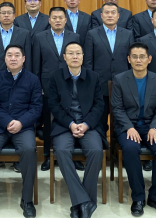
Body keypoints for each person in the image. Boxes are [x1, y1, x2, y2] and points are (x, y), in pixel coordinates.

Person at [0, 44, 42, 218]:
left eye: (17, 55)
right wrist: (7, 121)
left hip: (24, 127)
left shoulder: (33, 79)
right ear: (5, 58)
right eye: (9, 55)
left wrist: (21, 122)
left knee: (29, 150)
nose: (13, 58)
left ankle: (27, 200)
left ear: (23, 59)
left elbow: (36, 108)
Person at [111, 43, 156, 217]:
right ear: (129, 59)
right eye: (135, 57)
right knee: (131, 149)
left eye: (142, 57)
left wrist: (155, 127)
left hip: (151, 126)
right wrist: (129, 127)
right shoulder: (119, 79)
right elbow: (117, 108)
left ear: (149, 59)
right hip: (127, 127)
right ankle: (138, 198)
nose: (138, 60)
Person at [47, 41, 107, 218]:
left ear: (83, 56)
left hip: (88, 125)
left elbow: (99, 105)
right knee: (62, 150)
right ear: (64, 57)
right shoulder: (56, 76)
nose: (74, 56)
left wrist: (86, 124)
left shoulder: (93, 77)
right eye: (71, 53)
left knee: (96, 150)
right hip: (64, 125)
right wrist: (71, 124)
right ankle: (85, 202)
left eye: (78, 53)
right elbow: (54, 105)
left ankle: (80, 203)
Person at [32, 6, 80, 171]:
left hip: (71, 84)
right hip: (47, 86)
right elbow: (36, 64)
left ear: (66, 20)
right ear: (49, 20)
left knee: (73, 118)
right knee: (48, 122)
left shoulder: (75, 37)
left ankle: (73, 156)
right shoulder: (40, 37)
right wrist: (38, 86)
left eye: (61, 18)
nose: (58, 20)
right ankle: (47, 155)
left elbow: (79, 61)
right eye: (54, 18)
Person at [84, 2, 134, 133]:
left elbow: (131, 60)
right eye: (107, 12)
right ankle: (102, 142)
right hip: (100, 84)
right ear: (101, 15)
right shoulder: (92, 34)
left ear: (118, 15)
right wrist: (90, 84)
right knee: (100, 119)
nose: (110, 15)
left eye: (113, 12)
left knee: (120, 119)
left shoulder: (128, 34)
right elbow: (88, 62)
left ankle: (119, 142)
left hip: (122, 84)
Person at [0, 1, 32, 77]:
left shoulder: (24, 34)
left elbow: (28, 60)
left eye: (9, 13)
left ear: (14, 16)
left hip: (19, 77)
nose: (6, 15)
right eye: (3, 13)